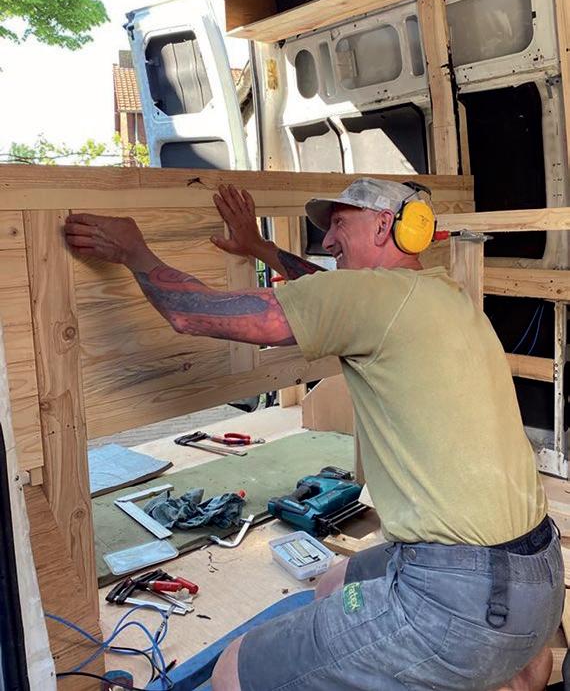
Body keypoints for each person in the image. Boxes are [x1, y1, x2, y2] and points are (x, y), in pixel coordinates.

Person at [64, 178, 563, 691]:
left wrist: (135, 251)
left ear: (385, 225)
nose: (326, 240)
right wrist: (259, 248)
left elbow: (192, 313)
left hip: (458, 606)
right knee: (332, 583)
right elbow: (325, 288)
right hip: (538, 580)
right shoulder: (438, 293)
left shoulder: (369, 298)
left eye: (339, 223)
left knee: (234, 671)